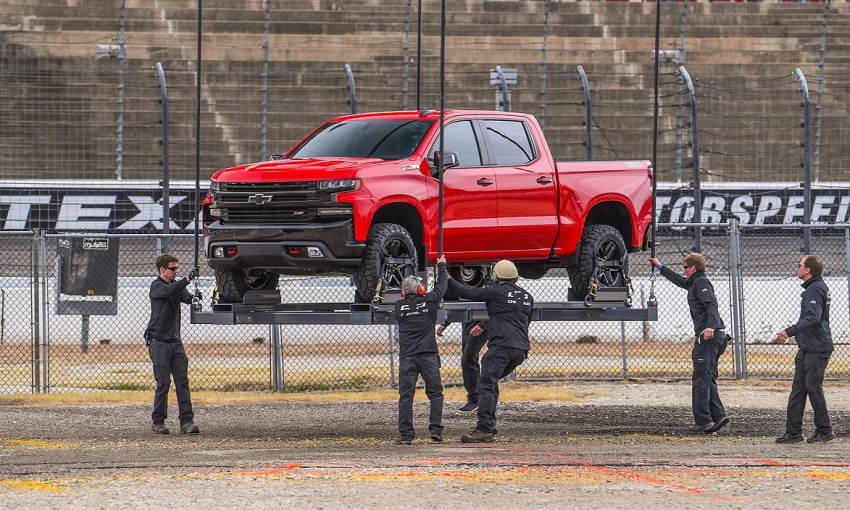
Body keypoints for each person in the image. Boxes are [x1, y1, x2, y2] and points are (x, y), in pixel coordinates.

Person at [448, 260, 533, 443]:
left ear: (496, 276)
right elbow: (527, 320)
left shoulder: (494, 291)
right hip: (520, 349)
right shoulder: (527, 296)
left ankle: (484, 428)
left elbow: (466, 292)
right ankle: (489, 425)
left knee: (485, 384)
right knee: (490, 383)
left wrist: (446, 277)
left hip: (501, 348)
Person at [650, 253, 729, 434]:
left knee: (700, 378)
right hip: (714, 336)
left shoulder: (701, 283)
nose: (684, 271)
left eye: (685, 267)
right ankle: (718, 416)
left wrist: (710, 326)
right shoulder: (694, 282)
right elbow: (679, 281)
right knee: (707, 377)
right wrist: (660, 267)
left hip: (709, 336)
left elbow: (711, 304)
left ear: (693, 268)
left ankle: (703, 421)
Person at [774, 254, 835, 444]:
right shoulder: (814, 287)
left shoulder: (815, 289)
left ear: (807, 270)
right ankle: (793, 432)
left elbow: (813, 317)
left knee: (813, 388)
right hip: (808, 347)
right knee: (798, 390)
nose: (797, 267)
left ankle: (824, 430)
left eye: (799, 265)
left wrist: (788, 331)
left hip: (816, 348)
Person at [393, 255, 449, 444]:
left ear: (403, 293)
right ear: (421, 289)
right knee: (435, 393)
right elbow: (442, 286)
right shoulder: (430, 302)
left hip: (407, 357)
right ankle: (435, 431)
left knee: (406, 396)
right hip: (428, 356)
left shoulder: (399, 307)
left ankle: (406, 435)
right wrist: (442, 266)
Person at [144, 254, 200, 435]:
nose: (176, 271)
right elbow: (170, 290)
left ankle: (187, 422)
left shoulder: (176, 286)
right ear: (162, 270)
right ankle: (158, 421)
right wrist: (187, 279)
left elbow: (185, 296)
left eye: (177, 268)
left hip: (175, 342)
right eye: (173, 269)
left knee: (182, 381)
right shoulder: (156, 286)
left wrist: (195, 298)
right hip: (158, 342)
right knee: (163, 382)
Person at [436, 319, 488, 412]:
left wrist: (483, 324)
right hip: (468, 324)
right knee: (469, 360)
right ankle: (479, 399)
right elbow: (457, 305)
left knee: (468, 359)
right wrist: (445, 323)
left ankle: (476, 399)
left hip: (482, 323)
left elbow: (494, 305)